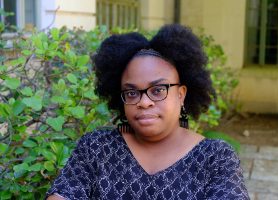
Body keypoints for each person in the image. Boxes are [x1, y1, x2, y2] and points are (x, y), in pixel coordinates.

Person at [46, 24, 249, 199]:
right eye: (132, 92)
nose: (144, 102)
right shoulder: (96, 148)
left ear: (181, 94)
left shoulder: (215, 158)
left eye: (158, 90)